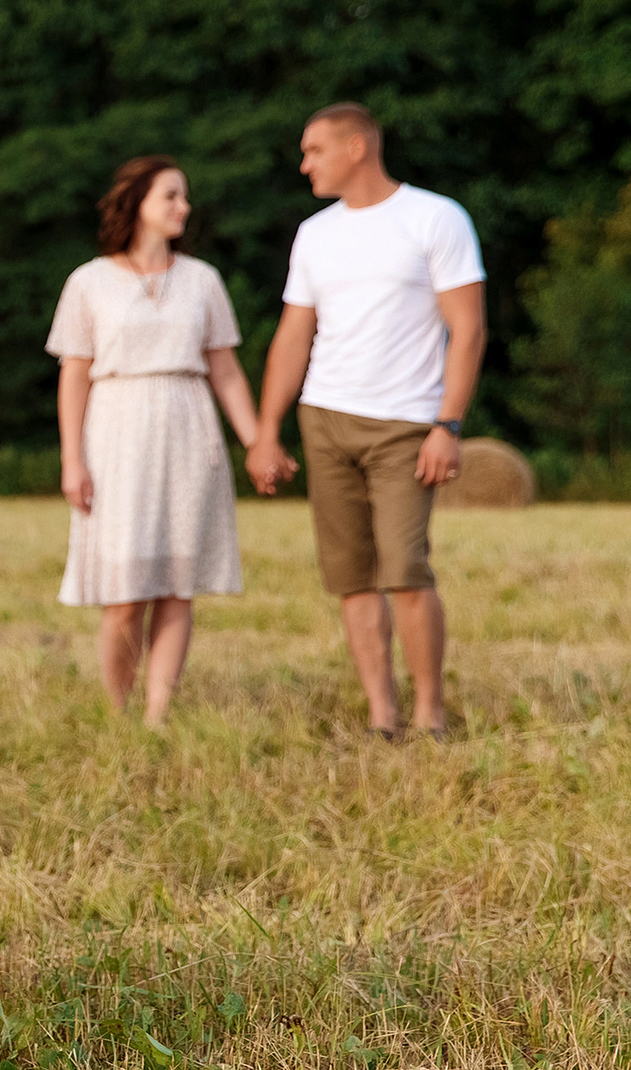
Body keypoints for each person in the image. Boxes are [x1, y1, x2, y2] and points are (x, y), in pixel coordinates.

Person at [244, 103, 486, 739]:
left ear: (357, 147)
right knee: (351, 578)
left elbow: (468, 329)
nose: (305, 165)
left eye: (314, 151)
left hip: (406, 425)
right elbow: (293, 336)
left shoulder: (435, 218)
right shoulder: (314, 234)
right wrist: (266, 432)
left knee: (404, 571)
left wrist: (448, 425)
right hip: (325, 420)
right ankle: (384, 716)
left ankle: (431, 713)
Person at [50, 155, 262, 727]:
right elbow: (74, 374)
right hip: (117, 433)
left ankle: (158, 714)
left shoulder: (203, 279)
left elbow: (226, 370)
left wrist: (256, 441)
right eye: (171, 195)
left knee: (176, 584)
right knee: (125, 591)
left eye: (184, 196)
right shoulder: (89, 281)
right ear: (137, 202)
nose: (183, 206)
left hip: (188, 426)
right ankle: (117, 712)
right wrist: (72, 460)